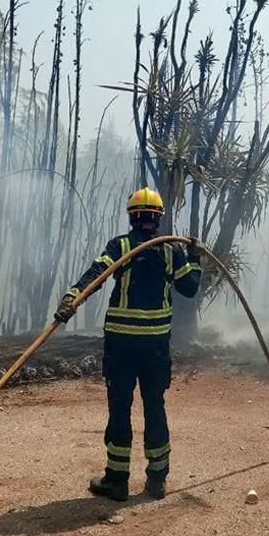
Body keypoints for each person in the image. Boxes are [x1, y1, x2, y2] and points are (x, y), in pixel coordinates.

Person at [55, 187, 203, 501]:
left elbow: (96, 274)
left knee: (119, 408)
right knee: (154, 407)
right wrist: (194, 257)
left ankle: (117, 481)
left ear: (132, 216)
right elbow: (189, 288)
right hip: (154, 347)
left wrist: (72, 297)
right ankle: (157, 480)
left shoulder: (120, 245)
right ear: (159, 216)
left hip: (121, 345)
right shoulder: (171, 250)